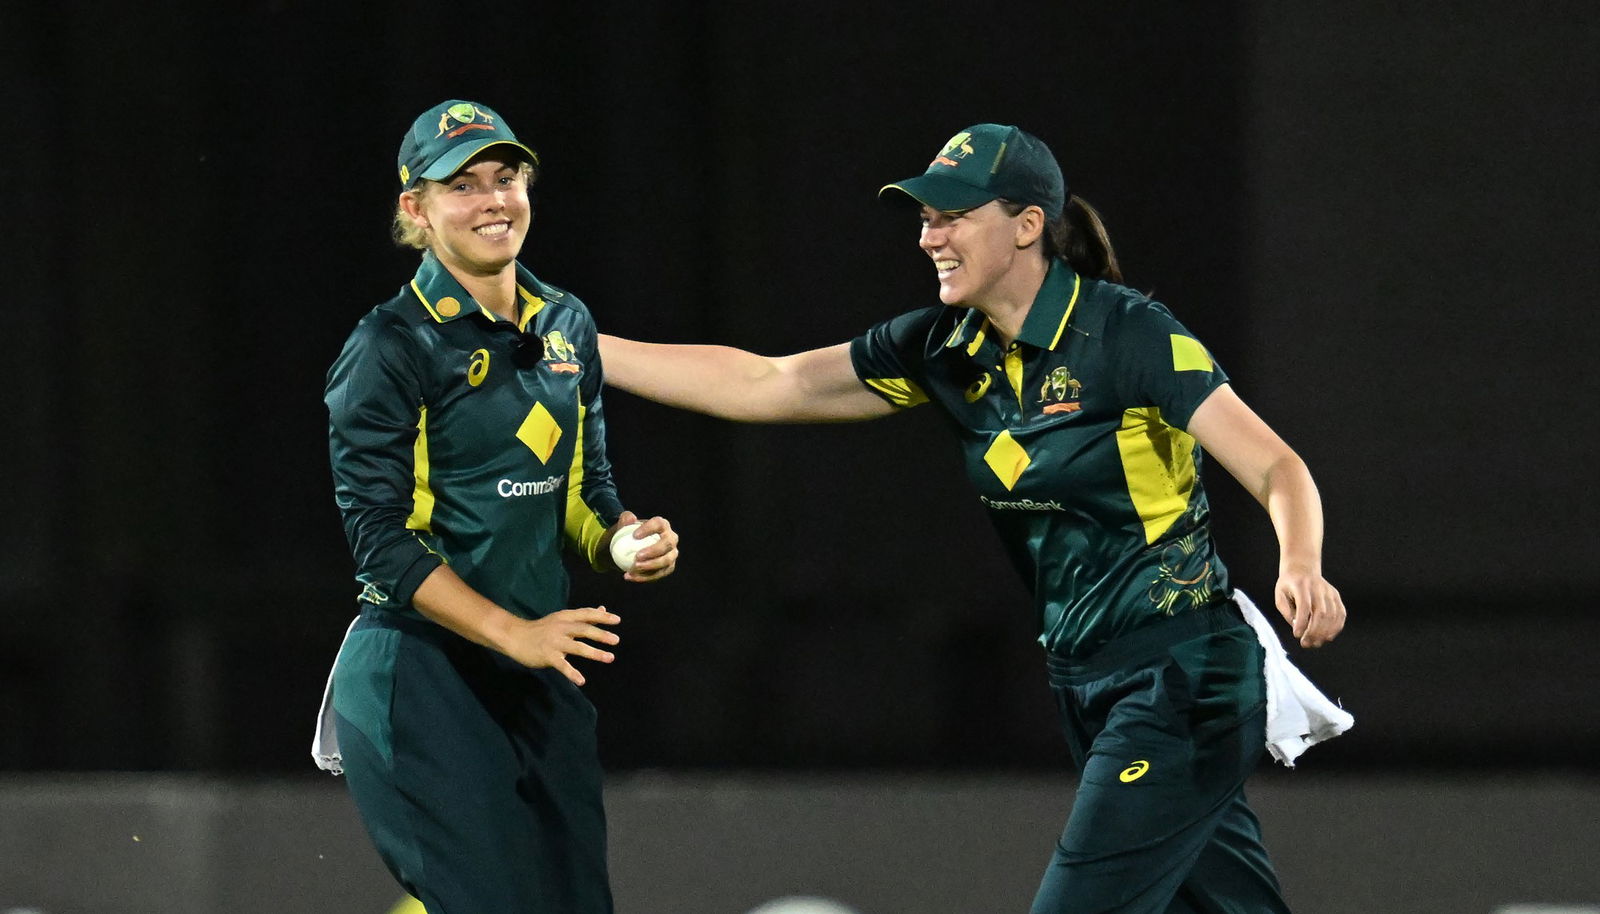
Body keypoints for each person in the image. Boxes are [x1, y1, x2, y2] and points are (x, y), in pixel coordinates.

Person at [598, 123, 1348, 913]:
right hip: (1084, 682)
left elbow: (1277, 466)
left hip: (1182, 675)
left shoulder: (1126, 333)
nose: (930, 237)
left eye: (953, 215)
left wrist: (1299, 562)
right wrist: (585, 345)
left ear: (1028, 225)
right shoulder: (944, 349)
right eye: (924, 218)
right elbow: (770, 383)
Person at [316, 99, 679, 914]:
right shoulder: (388, 347)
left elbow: (585, 494)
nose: (493, 200)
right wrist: (514, 632)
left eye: (506, 177)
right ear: (416, 208)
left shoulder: (567, 324)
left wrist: (623, 542)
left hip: (536, 672)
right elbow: (379, 544)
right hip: (421, 673)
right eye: (463, 185)